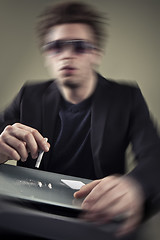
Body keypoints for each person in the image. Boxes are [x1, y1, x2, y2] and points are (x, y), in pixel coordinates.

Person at [0, 1, 160, 238]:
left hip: (95, 216)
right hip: (29, 212)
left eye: (80, 47)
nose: (67, 55)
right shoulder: (29, 94)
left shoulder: (126, 97)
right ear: (47, 55)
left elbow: (154, 158)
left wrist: (135, 185)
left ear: (96, 53)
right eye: (56, 47)